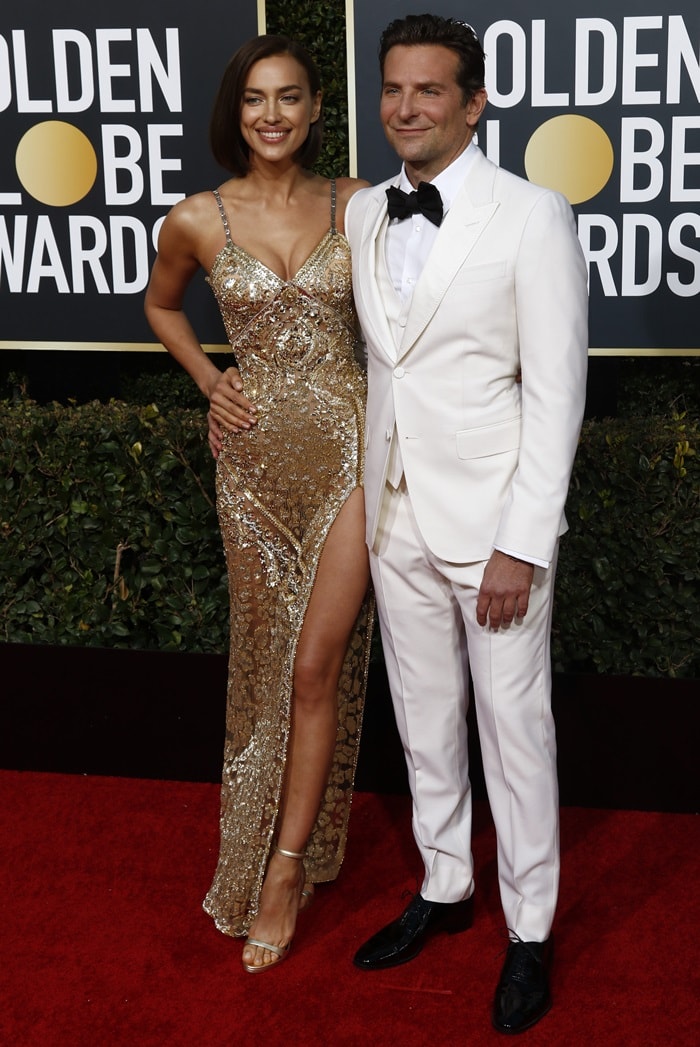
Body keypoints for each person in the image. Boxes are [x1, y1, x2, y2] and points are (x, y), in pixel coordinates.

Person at [342, 14, 589, 1034]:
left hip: (492, 527)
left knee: (514, 731)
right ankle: (445, 883)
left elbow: (557, 393)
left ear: (473, 102)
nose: (405, 108)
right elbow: (383, 365)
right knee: (422, 713)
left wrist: (521, 542)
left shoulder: (532, 215)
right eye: (393, 90)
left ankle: (529, 926)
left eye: (429, 91)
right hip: (393, 510)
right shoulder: (363, 215)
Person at [144, 34, 372, 975]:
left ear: (318, 109)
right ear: (234, 112)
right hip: (251, 470)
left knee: (316, 666)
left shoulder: (360, 205)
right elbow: (161, 307)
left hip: (356, 458)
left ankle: (284, 869)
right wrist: (208, 379)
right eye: (253, 99)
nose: (271, 114)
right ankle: (259, 847)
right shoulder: (196, 219)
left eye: (289, 98)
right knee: (265, 667)